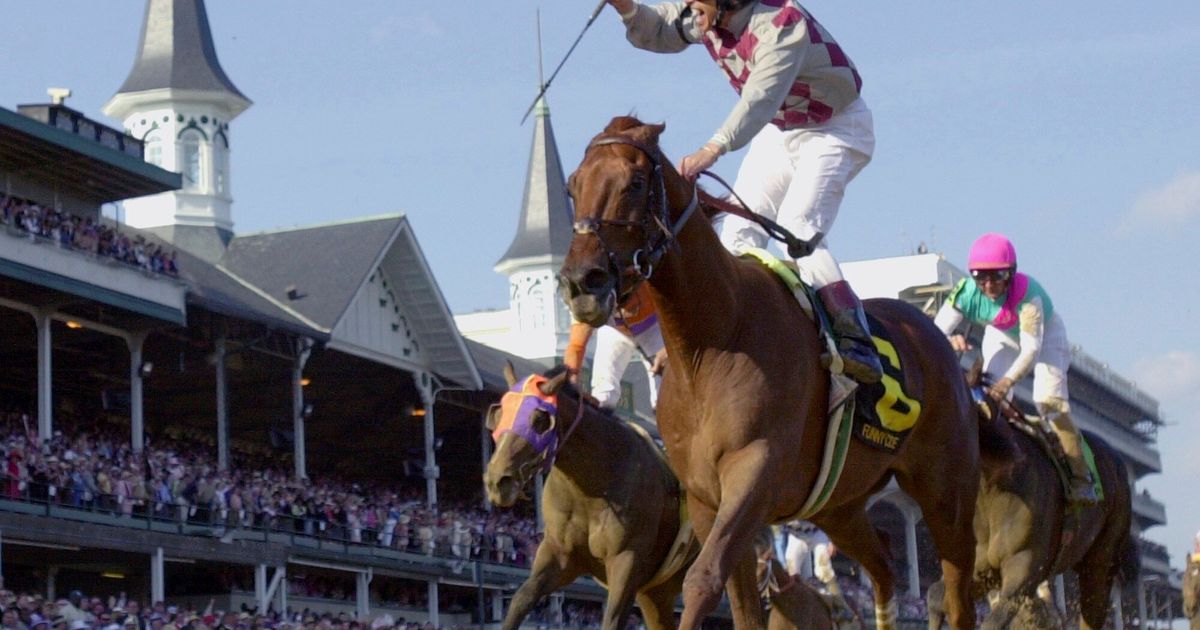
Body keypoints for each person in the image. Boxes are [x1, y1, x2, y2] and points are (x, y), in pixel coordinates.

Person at [605, 0, 882, 384]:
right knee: (736, 236)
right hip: (781, 130)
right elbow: (661, 29)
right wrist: (626, 8)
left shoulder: (783, 24)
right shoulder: (709, 13)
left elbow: (759, 100)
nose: (687, 4)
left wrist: (711, 149)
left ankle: (856, 339)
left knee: (797, 228)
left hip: (834, 128)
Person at [934, 232, 1098, 505]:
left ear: (1011, 273)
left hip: (1045, 339)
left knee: (1048, 402)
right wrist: (951, 339)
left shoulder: (1027, 295)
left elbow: (1031, 350)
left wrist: (1007, 383)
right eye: (980, 277)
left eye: (996, 277)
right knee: (987, 403)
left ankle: (1081, 475)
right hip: (1000, 334)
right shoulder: (965, 292)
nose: (988, 285)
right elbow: (935, 331)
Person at [563, 283, 667, 411]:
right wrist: (571, 381)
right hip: (614, 330)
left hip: (653, 325)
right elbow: (576, 346)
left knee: (663, 396)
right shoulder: (586, 302)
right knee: (602, 395)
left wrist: (667, 349)